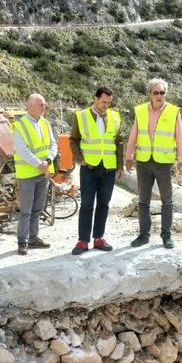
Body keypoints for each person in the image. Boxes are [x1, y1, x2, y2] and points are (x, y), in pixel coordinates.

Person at [125, 79, 182, 249]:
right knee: (143, 201)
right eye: (156, 92)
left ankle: (166, 236)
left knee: (167, 201)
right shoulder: (140, 111)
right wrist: (129, 156)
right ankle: (143, 235)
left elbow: (181, 139)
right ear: (149, 94)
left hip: (163, 163)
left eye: (162, 92)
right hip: (144, 162)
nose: (159, 96)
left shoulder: (174, 112)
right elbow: (134, 135)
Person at [69, 87, 123, 255]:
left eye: (109, 102)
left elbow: (118, 141)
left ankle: (99, 238)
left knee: (104, 204)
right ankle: (83, 241)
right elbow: (73, 140)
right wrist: (80, 159)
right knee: (86, 204)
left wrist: (120, 165)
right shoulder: (82, 116)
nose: (106, 105)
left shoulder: (115, 116)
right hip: (89, 168)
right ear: (95, 99)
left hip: (108, 167)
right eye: (103, 102)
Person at [12, 93, 57, 255]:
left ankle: (33, 238)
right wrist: (40, 164)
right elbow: (22, 150)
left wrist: (48, 160)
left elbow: (53, 144)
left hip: (43, 172)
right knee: (26, 210)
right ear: (30, 106)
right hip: (27, 174)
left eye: (44, 104)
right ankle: (22, 241)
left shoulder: (45, 123)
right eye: (41, 105)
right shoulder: (20, 126)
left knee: (38, 208)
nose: (44, 107)